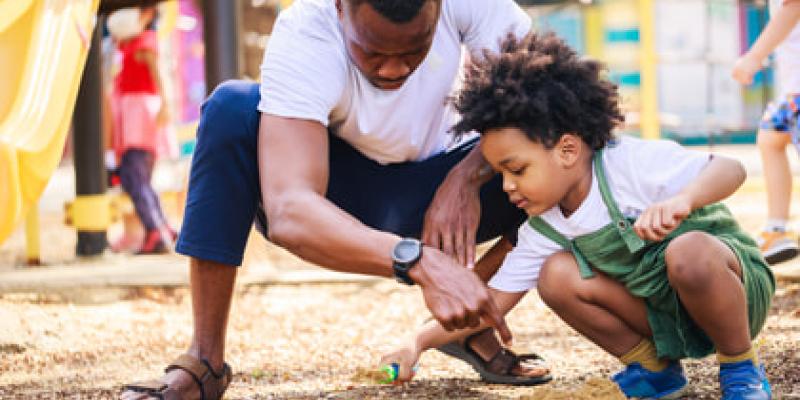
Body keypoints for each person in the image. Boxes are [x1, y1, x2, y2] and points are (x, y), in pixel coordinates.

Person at [121, 1, 551, 399]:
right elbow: (289, 210)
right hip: (344, 198)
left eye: (414, 50)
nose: (393, 69)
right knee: (231, 109)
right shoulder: (306, 29)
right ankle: (205, 360)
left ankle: (469, 326)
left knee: (561, 141)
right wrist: (418, 260)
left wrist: (466, 179)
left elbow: (537, 93)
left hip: (454, 183)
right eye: (373, 53)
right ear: (342, 8)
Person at [384, 33, 776, 399]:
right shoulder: (545, 225)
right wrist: (417, 342)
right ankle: (653, 368)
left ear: (568, 150)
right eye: (500, 173)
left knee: (688, 252)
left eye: (517, 170)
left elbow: (730, 168)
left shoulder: (628, 163)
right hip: (665, 317)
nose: (506, 186)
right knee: (555, 275)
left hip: (735, 296)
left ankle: (740, 365)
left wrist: (684, 200)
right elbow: (492, 302)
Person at [732, 0, 800, 264]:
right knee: (770, 138)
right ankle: (776, 228)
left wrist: (754, 56)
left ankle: (777, 228)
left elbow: (793, 7)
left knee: (771, 138)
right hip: (792, 91)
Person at [108, 5, 177, 254]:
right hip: (133, 114)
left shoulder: (145, 42)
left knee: (134, 176)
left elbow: (160, 74)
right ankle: (161, 227)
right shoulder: (129, 42)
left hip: (140, 115)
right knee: (139, 178)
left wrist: (167, 102)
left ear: (147, 15)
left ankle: (155, 229)